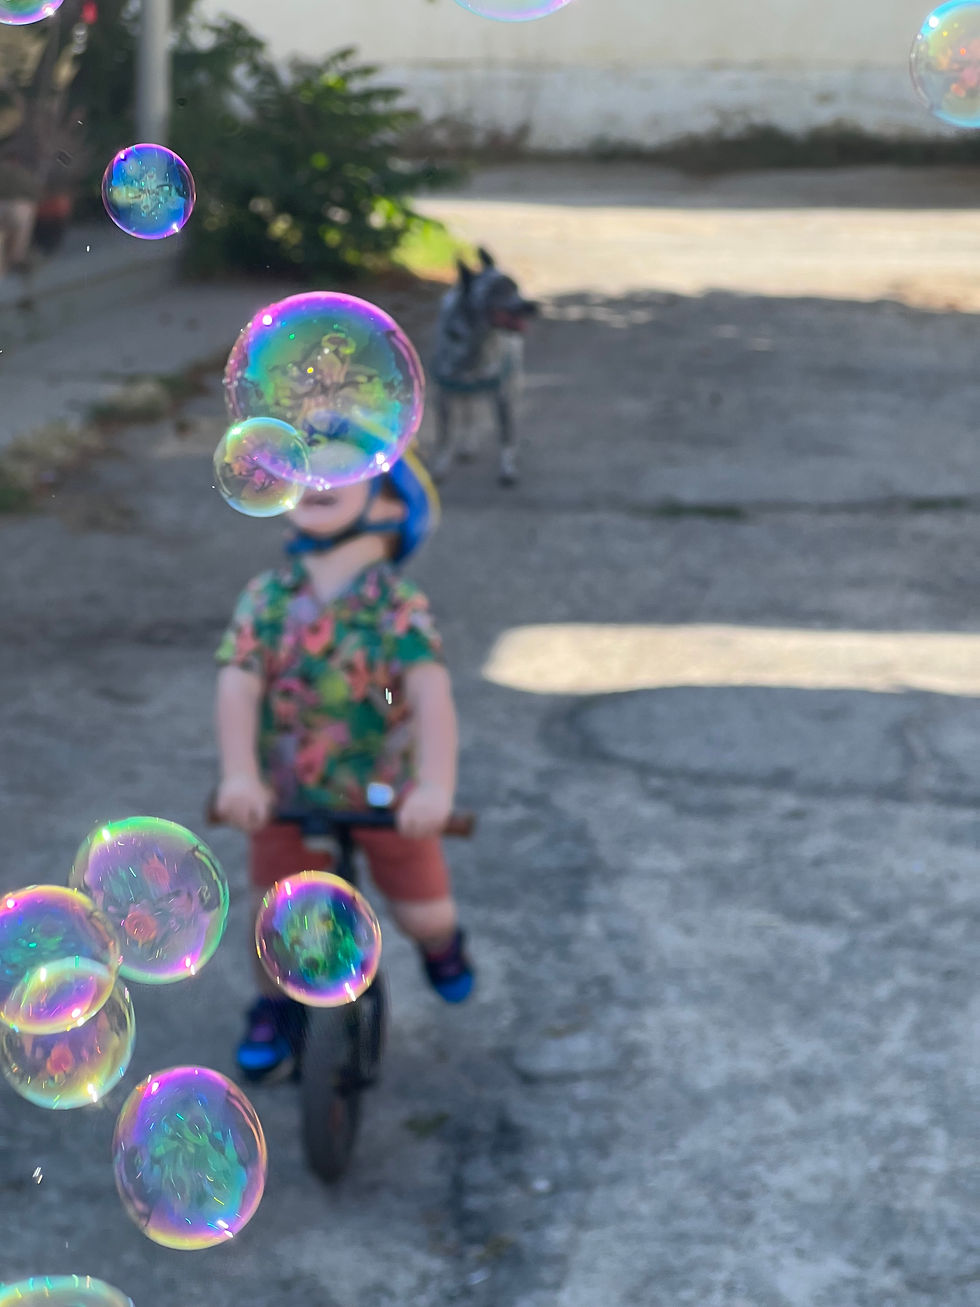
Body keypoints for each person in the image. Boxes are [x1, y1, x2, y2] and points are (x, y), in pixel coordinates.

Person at [213, 447, 474, 1082]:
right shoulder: (266, 599)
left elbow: (429, 695)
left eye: (343, 474)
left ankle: (442, 946)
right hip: (287, 796)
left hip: (387, 798)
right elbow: (238, 687)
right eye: (306, 472)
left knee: (424, 914)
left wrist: (436, 788)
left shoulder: (398, 604)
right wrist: (239, 774)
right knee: (270, 917)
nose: (316, 480)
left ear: (391, 507)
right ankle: (274, 1006)